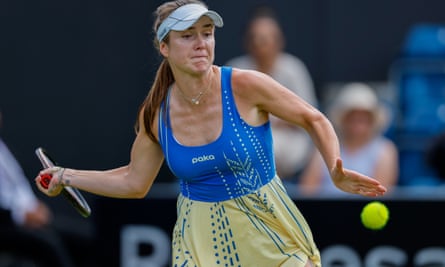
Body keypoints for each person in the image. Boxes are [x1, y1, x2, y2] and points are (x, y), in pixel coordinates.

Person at [35, 1, 387, 266]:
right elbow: (133, 181)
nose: (201, 43)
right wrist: (67, 176)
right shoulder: (154, 113)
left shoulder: (245, 85)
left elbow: (314, 119)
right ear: (165, 48)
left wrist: (334, 169)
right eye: (187, 36)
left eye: (207, 33)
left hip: (271, 232)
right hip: (199, 243)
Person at [226, 6, 317, 181]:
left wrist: (265, 118)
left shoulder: (294, 69)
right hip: (243, 151)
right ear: (247, 42)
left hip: (292, 152)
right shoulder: (234, 69)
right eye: (255, 39)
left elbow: (308, 115)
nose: (261, 44)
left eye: (267, 39)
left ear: (279, 41)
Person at [0, 111, 75, 267]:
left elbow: (17, 187)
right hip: (7, 225)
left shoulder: (4, 148)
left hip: (30, 216)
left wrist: (34, 206)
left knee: (79, 237)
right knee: (50, 246)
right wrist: (20, 215)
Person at [299, 83, 399, 196]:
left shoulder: (385, 150)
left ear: (372, 121)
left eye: (363, 119)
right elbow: (308, 191)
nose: (357, 123)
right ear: (343, 119)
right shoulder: (324, 146)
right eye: (352, 117)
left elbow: (381, 192)